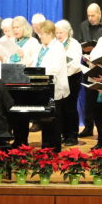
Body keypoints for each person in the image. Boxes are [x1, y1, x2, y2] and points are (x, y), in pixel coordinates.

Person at [32, 20, 69, 152]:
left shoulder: (57, 47)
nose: (40, 37)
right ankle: (45, 148)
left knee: (54, 121)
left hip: (55, 88)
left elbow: (55, 69)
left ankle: (54, 149)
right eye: (40, 34)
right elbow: (35, 63)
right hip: (42, 88)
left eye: (42, 34)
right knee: (45, 119)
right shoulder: (41, 47)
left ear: (50, 34)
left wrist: (38, 73)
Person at [55, 20, 83, 146]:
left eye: (61, 32)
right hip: (59, 78)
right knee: (60, 107)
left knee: (70, 107)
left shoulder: (74, 44)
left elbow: (75, 64)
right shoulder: (55, 44)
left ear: (68, 32)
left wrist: (64, 73)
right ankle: (63, 133)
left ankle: (72, 135)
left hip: (72, 78)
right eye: (56, 33)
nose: (58, 35)